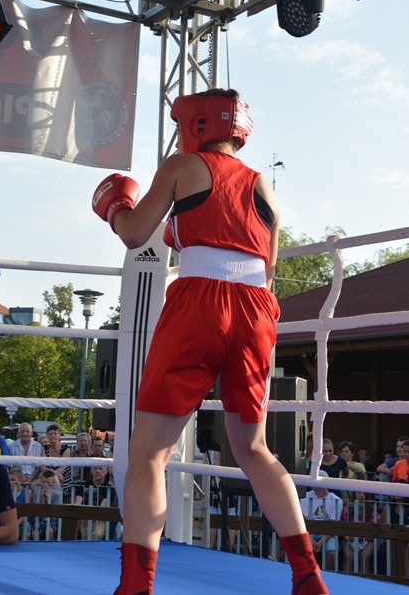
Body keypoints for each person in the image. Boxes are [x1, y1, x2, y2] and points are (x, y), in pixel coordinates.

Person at [91, 89, 327, 595]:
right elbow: (266, 264)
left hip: (201, 305)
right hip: (257, 310)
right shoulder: (265, 186)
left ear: (196, 125)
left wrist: (115, 208)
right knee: (254, 448)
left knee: (149, 452)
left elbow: (135, 233)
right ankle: (308, 576)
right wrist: (185, 230)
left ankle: (135, 586)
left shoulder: (183, 165)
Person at [299, 471, 344, 571]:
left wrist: (321, 541)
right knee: (305, 550)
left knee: (332, 554)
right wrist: (311, 539)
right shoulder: (304, 497)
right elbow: (304, 519)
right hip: (308, 530)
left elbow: (333, 525)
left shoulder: (337, 500)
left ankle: (327, 576)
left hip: (328, 533)